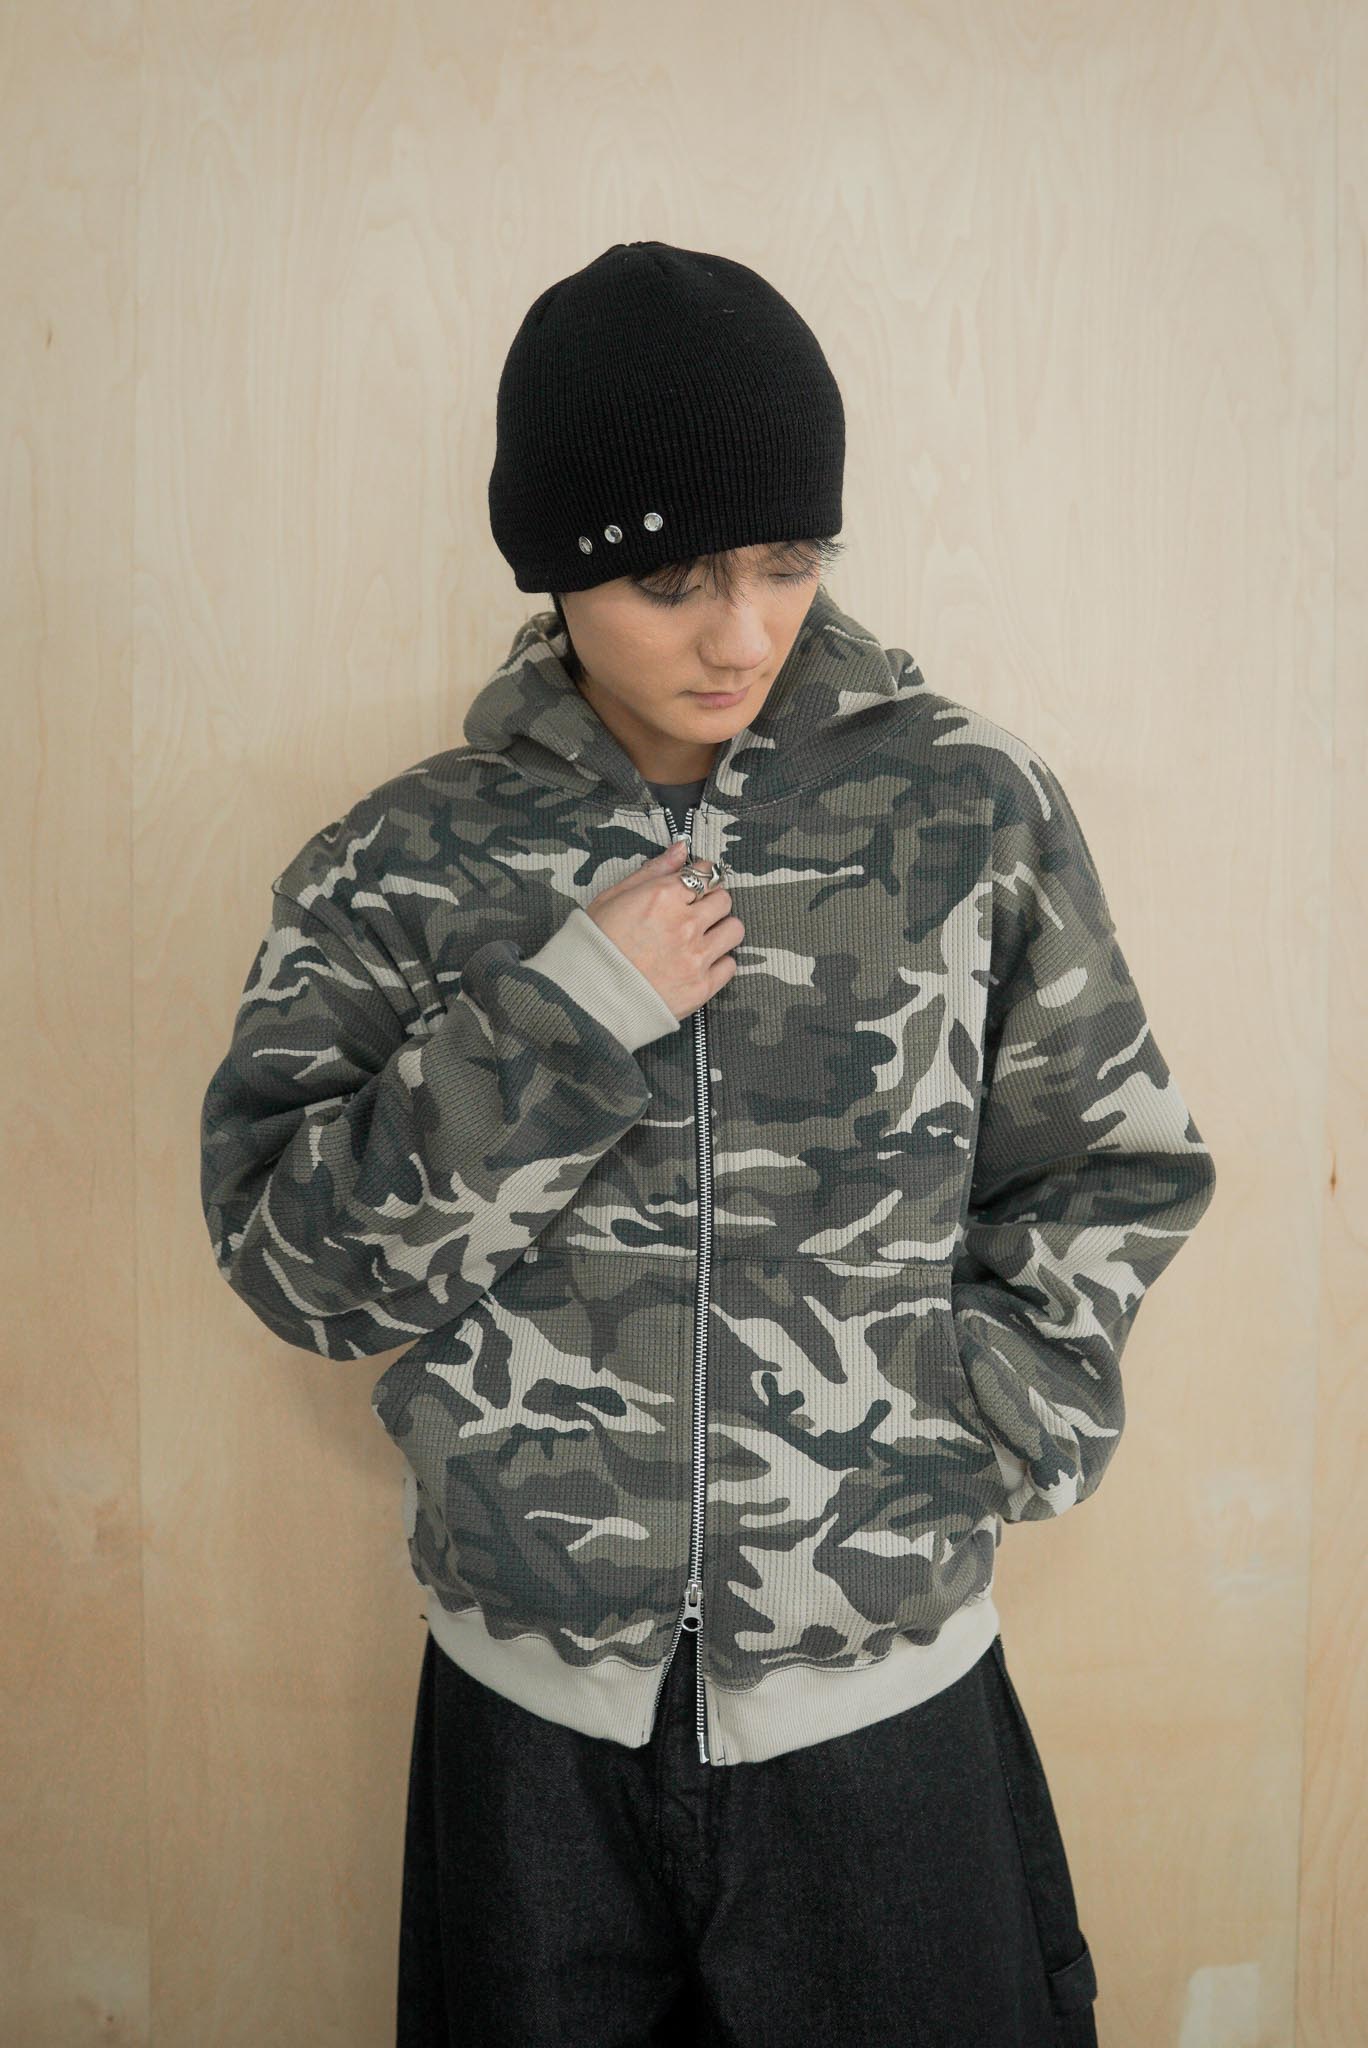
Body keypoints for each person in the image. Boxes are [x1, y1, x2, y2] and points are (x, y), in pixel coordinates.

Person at [199, 240, 1218, 2046]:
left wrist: (965, 1431)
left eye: (788, 560)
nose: (742, 633)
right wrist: (566, 1013)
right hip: (528, 1720)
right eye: (671, 580)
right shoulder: (404, 863)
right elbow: (297, 1266)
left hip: (882, 1700)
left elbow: (1112, 1166)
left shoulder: (967, 807)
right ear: (557, 563)